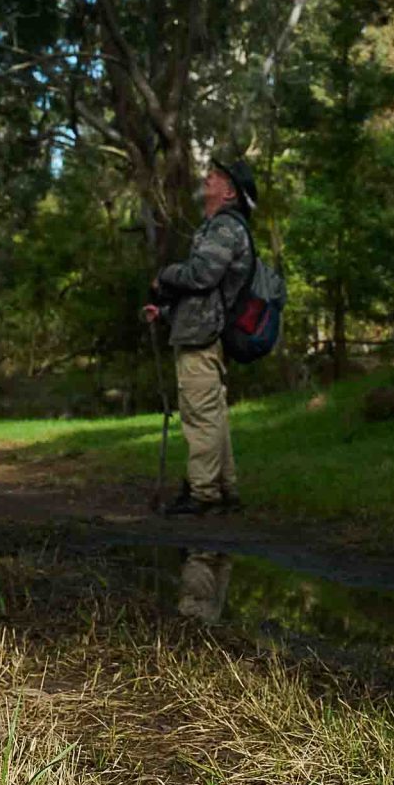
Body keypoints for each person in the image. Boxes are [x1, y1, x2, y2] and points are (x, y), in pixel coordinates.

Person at [143, 157, 257, 517]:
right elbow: (203, 297)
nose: (208, 177)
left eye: (218, 176)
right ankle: (224, 488)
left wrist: (164, 277)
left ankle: (203, 493)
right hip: (202, 332)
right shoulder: (214, 228)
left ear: (230, 192)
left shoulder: (224, 227)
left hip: (203, 338)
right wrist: (163, 313)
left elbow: (202, 276)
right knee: (212, 415)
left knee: (200, 416)